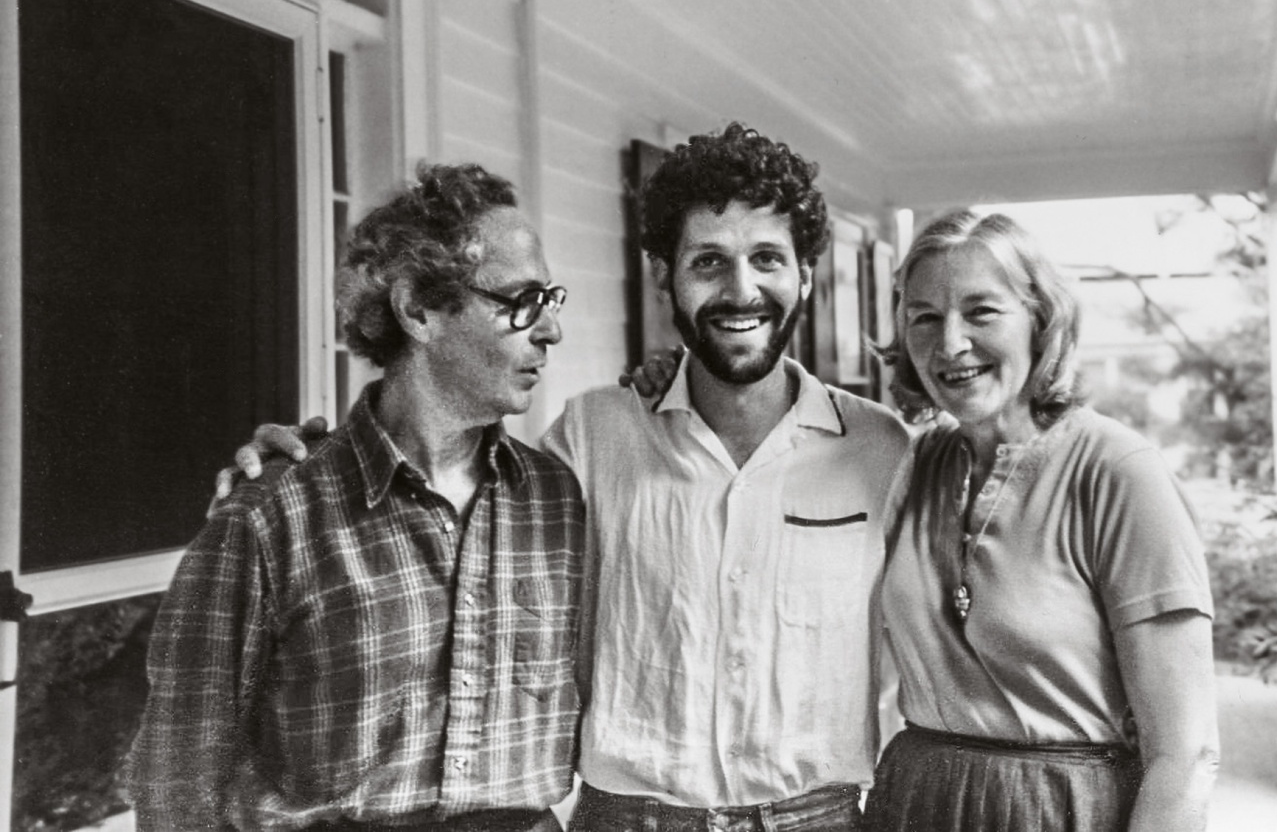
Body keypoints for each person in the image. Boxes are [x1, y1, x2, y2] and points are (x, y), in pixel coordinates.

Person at [223, 123, 912, 832]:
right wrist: (312, 464)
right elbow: (443, 512)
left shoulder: (882, 450)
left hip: (819, 817)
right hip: (629, 817)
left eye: (768, 258)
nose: (742, 289)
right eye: (709, 261)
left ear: (805, 272)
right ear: (663, 276)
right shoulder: (591, 436)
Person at [126, 163, 585, 832]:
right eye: (521, 302)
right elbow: (177, 786)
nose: (550, 332)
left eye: (551, 302)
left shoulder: (556, 500)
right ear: (418, 308)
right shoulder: (271, 515)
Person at [864, 208, 1219, 832]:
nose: (950, 344)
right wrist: (662, 388)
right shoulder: (910, 465)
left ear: (1039, 320)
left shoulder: (1117, 471)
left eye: (982, 311)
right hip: (914, 803)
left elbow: (1184, 754)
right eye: (924, 317)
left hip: (1060, 810)